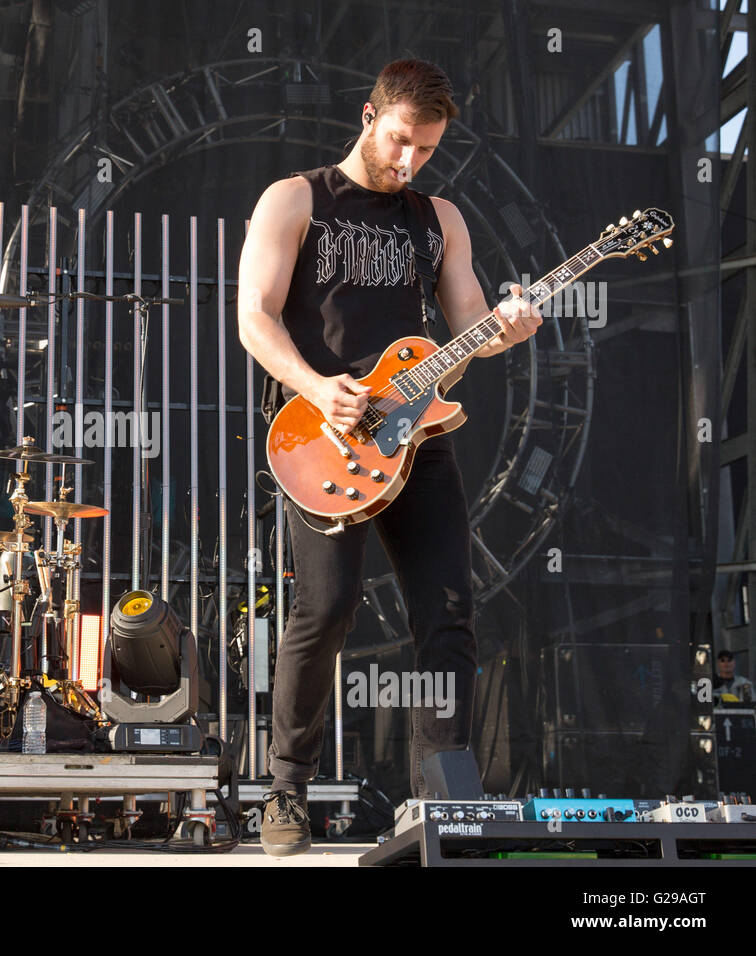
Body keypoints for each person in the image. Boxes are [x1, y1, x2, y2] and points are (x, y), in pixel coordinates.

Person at [236, 58, 542, 857]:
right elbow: (254, 316)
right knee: (326, 606)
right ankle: (286, 791)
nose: (410, 161)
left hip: (419, 437)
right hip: (320, 434)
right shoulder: (295, 199)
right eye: (401, 141)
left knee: (447, 612)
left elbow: (467, 320)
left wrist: (503, 325)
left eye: (427, 150)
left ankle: (443, 795)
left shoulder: (438, 217)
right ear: (370, 115)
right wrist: (315, 385)